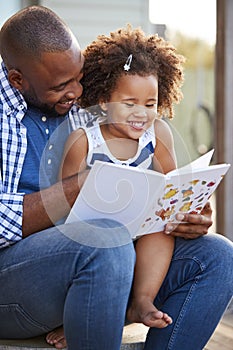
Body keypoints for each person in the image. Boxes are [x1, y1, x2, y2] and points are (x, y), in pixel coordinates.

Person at [0, 6, 232, 350]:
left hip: (100, 262)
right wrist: (76, 190)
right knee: (105, 240)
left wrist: (182, 211)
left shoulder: (86, 104)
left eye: (79, 77)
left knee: (217, 256)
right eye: (62, 85)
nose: (78, 92)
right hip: (15, 283)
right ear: (18, 79)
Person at [59, 25, 186, 330]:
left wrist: (181, 205)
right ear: (104, 101)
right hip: (96, 236)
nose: (140, 114)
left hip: (142, 233)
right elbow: (63, 207)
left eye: (150, 104)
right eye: (129, 104)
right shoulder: (83, 141)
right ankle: (73, 317)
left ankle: (142, 301)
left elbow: (173, 186)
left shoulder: (157, 134)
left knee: (162, 227)